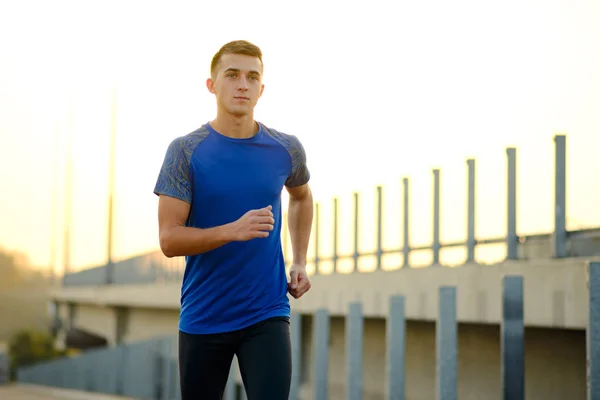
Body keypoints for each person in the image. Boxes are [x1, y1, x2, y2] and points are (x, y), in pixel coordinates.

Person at [153, 40, 314, 400]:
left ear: (261, 89)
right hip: (204, 315)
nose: (243, 84)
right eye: (232, 75)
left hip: (267, 311)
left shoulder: (285, 148)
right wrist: (232, 231)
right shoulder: (184, 151)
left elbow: (301, 196)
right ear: (212, 85)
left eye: (252, 77)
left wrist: (300, 260)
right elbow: (169, 240)